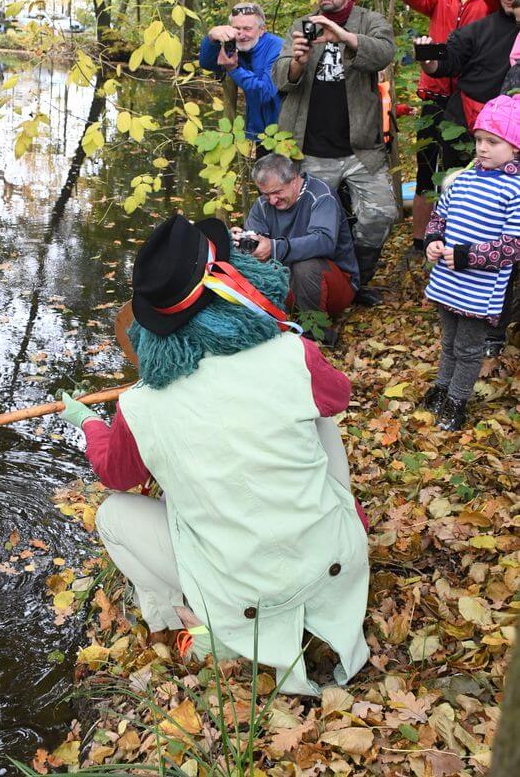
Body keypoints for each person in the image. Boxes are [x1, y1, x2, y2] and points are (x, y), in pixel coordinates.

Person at [60, 213, 370, 696]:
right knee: (319, 415)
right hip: (331, 561)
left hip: (242, 594)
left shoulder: (141, 404)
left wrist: (91, 424)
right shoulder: (292, 353)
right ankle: (345, 526)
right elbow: (339, 395)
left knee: (113, 515)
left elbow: (115, 474)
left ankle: (196, 626)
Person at [273, 0, 397, 306]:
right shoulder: (303, 23)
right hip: (310, 148)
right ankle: (322, 287)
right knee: (312, 225)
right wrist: (297, 61)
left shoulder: (369, 21)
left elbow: (383, 53)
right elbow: (280, 77)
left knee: (380, 214)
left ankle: (355, 280)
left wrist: (342, 35)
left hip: (360, 148)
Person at [420, 95, 520, 431]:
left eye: (493, 142)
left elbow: (512, 247)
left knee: (467, 347)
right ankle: (442, 386)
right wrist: (433, 240)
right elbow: (440, 217)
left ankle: (457, 400)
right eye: (479, 140)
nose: (482, 148)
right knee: (448, 341)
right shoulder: (462, 180)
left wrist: (467, 256)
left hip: (480, 289)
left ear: (515, 146)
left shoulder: (515, 190)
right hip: (450, 282)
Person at [399, 0, 499, 251]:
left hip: (475, 101)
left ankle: (462, 238)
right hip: (435, 95)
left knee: (467, 173)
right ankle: (420, 243)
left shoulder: (493, 0)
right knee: (426, 171)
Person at [232, 153, 359, 344]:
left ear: (294, 180)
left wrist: (274, 248)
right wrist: (244, 244)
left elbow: (323, 242)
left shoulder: (321, 196)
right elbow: (256, 244)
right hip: (290, 284)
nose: (272, 200)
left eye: (277, 192)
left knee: (305, 264)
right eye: (266, 194)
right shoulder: (262, 205)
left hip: (337, 285)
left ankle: (316, 333)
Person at [415, 0, 520, 146]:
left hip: (513, 134)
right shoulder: (479, 29)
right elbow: (447, 62)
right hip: (466, 124)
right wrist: (428, 59)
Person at [199, 2, 283, 144]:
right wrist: (211, 39)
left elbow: (265, 93)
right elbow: (207, 63)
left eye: (247, 29)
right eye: (236, 29)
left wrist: (234, 69)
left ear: (262, 29)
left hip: (281, 133)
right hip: (256, 133)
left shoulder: (277, 48)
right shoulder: (235, 45)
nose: (242, 35)